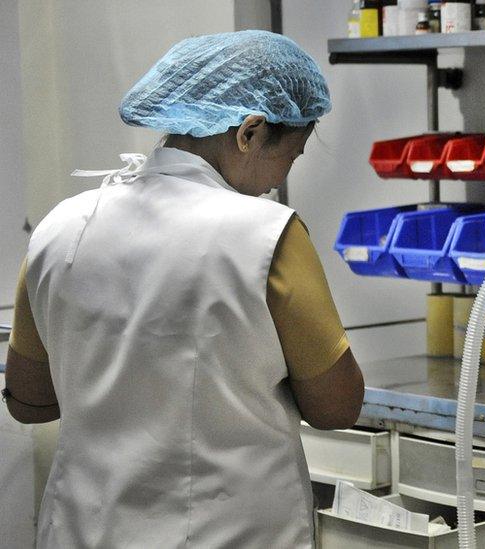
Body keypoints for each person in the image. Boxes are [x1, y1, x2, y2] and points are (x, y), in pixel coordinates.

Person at [2, 30, 363, 547]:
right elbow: (336, 408)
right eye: (292, 155)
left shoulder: (62, 227)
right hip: (231, 534)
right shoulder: (267, 233)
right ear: (250, 132)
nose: (279, 179)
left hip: (85, 530)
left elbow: (29, 402)